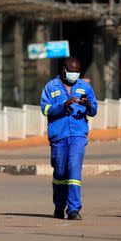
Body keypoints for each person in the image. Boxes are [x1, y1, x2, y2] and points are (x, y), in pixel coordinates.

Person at [40, 57, 98, 220]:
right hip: (58, 136)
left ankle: (73, 209)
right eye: (71, 71)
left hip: (78, 135)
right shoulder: (51, 87)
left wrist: (88, 106)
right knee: (60, 173)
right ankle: (59, 205)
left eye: (77, 71)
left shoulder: (85, 87)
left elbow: (94, 109)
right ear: (64, 70)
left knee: (74, 169)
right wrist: (63, 105)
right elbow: (45, 109)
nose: (74, 74)